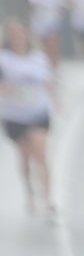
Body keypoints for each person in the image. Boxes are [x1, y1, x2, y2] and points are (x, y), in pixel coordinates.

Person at [1, 20, 54, 215]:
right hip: (15, 115)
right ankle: (29, 189)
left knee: (41, 153)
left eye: (21, 34)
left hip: (38, 111)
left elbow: (47, 80)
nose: (18, 39)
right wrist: (6, 89)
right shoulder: (4, 59)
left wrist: (54, 98)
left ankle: (48, 198)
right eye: (14, 35)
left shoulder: (38, 58)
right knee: (25, 156)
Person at [25, 0, 63, 65]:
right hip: (37, 25)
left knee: (53, 47)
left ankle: (55, 68)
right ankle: (46, 67)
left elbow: (59, 8)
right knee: (42, 49)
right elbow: (27, 8)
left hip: (52, 24)